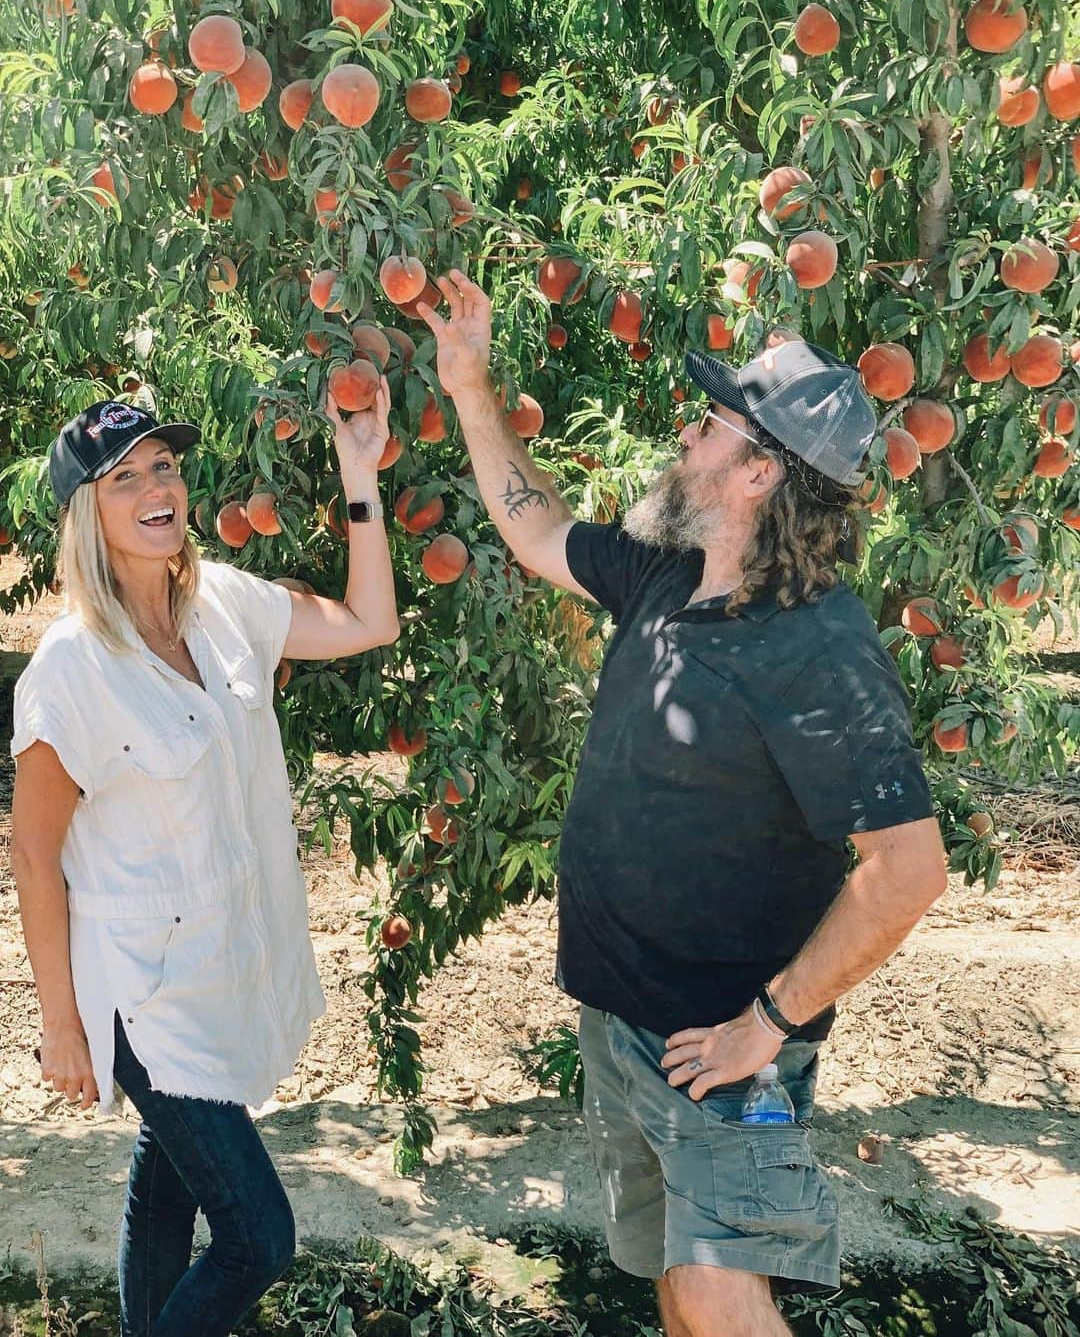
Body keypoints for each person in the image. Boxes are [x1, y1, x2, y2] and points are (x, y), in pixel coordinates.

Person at [417, 272, 947, 1337]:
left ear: (758, 473)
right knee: (674, 1280)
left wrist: (771, 1020)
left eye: (710, 427)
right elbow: (538, 531)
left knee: (719, 1297)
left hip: (717, 1038)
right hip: (623, 1023)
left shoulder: (818, 647)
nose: (686, 437)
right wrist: (470, 389)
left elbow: (909, 870)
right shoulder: (669, 575)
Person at [10, 387, 399, 1337]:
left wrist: (360, 477)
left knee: (172, 1182)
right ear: (85, 515)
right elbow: (32, 853)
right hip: (141, 996)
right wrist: (62, 1025)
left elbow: (367, 621)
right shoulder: (72, 668)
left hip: (220, 967)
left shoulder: (224, 604)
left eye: (165, 465)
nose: (157, 487)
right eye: (124, 477)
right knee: (258, 1238)